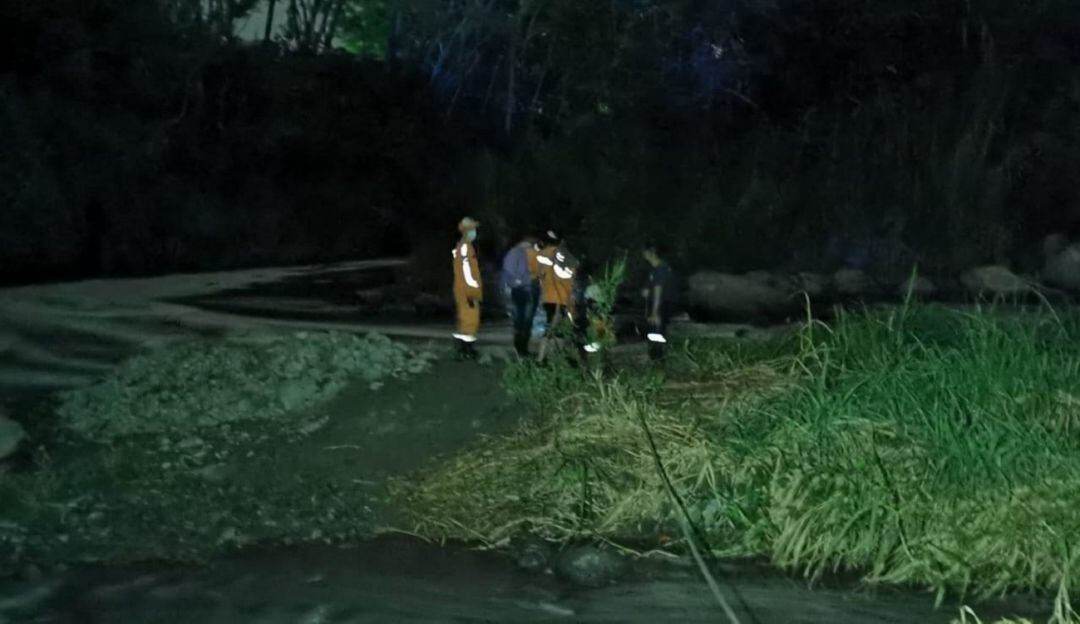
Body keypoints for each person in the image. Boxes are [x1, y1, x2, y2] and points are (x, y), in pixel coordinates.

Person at [536, 230, 579, 361]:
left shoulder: (542, 255)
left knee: (555, 328)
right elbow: (572, 279)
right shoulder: (568, 257)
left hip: (548, 298)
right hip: (561, 298)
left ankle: (550, 358)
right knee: (557, 329)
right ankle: (542, 359)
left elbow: (540, 277)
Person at [502, 235, 540, 356]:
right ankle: (521, 348)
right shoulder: (517, 253)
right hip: (523, 289)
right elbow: (510, 272)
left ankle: (522, 348)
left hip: (525, 289)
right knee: (523, 320)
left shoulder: (518, 253)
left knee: (523, 320)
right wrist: (518, 281)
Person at [452, 217, 483, 360]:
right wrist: (472, 288)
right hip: (467, 290)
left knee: (465, 319)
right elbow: (466, 270)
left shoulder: (462, 246)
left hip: (463, 289)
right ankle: (466, 351)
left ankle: (464, 350)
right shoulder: (465, 247)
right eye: (473, 229)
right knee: (470, 320)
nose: (475, 232)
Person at [642, 242, 678, 361]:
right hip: (655, 304)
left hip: (661, 304)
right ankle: (655, 358)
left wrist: (655, 312)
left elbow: (658, 290)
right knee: (652, 333)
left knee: (656, 333)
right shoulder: (653, 270)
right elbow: (650, 288)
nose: (643, 255)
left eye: (645, 252)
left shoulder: (661, 269)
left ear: (651, 253)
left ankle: (658, 360)